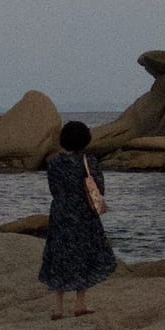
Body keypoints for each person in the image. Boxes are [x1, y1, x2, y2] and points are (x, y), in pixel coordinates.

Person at [38, 120, 114, 319]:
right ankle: (80, 303)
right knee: (84, 255)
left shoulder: (54, 163)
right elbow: (99, 187)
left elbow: (53, 189)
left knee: (59, 256)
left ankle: (58, 307)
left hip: (60, 212)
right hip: (83, 213)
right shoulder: (88, 161)